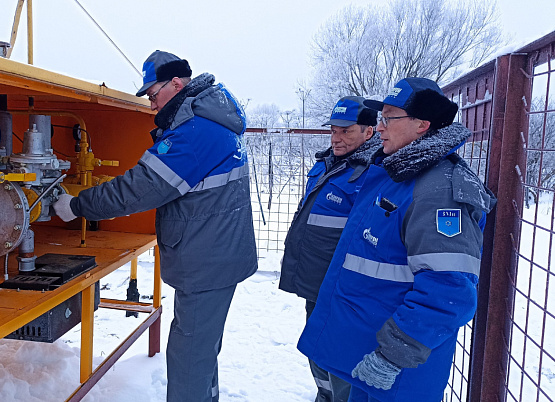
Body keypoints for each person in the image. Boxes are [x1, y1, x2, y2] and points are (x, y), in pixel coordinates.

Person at [53, 50, 258, 402]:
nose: (151, 105)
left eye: (152, 95)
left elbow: (138, 189)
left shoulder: (194, 133)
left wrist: (76, 204)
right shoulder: (209, 121)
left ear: (175, 84)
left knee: (189, 357)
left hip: (207, 264)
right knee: (201, 350)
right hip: (215, 257)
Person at [297, 77, 496, 402]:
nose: (380, 127)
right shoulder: (395, 175)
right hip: (368, 356)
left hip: (399, 373)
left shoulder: (439, 192)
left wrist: (392, 355)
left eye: (390, 118)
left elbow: (448, 291)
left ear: (422, 125)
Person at [279, 96, 380, 402]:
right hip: (315, 278)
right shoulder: (328, 164)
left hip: (344, 284)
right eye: (333, 130)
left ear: (369, 132)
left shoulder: (374, 172)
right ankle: (324, 394)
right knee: (316, 342)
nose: (336, 137)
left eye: (346, 131)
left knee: (342, 350)